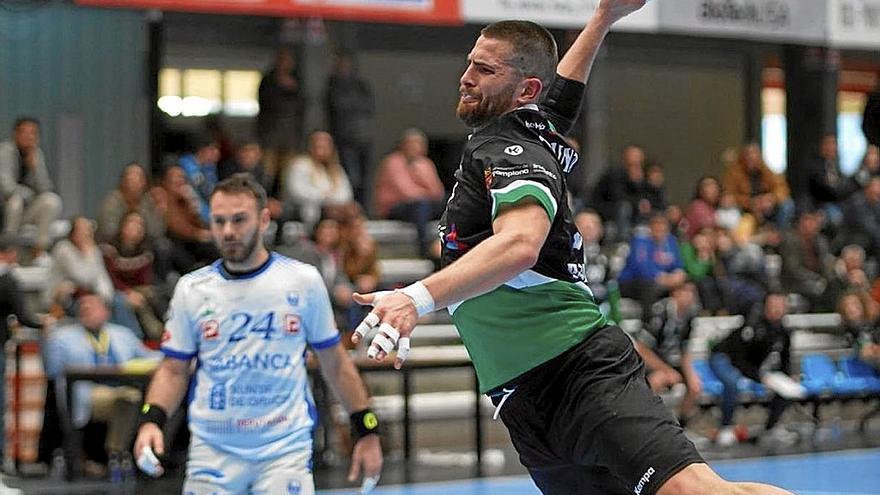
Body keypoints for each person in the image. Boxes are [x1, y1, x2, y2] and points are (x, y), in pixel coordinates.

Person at [349, 4, 794, 494]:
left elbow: (520, 244)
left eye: (485, 69)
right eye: (470, 62)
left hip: (577, 371)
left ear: (524, 90)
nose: (466, 76)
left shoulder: (509, 150)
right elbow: (561, 94)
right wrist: (603, 17)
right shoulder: (530, 126)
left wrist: (417, 297)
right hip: (522, 397)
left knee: (698, 492)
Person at [133, 174, 382, 494]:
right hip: (213, 450)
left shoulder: (302, 281)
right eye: (219, 221)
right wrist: (151, 419)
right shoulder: (192, 290)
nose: (228, 232)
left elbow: (334, 362)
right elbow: (173, 369)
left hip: (283, 450)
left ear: (264, 219)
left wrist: (366, 427)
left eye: (239, 220)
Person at [44, 293, 161, 473]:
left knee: (132, 398)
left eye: (92, 306)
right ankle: (113, 456)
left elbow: (149, 356)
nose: (86, 310)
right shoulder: (62, 337)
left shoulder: (122, 334)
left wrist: (176, 359)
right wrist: (46, 338)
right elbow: (51, 370)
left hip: (120, 389)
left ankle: (116, 453)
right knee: (125, 398)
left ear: (106, 311)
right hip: (85, 393)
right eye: (83, 307)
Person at [708, 293, 798, 448]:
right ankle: (725, 427)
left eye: (781, 305)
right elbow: (737, 358)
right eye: (773, 304)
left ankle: (770, 429)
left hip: (752, 368)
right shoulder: (752, 325)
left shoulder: (783, 332)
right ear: (765, 306)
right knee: (732, 383)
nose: (777, 309)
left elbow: (785, 360)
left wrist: (789, 377)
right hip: (723, 358)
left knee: (786, 388)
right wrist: (759, 377)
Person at [634, 282, 702, 425]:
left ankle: (681, 425)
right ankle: (645, 424)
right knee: (657, 380)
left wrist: (691, 375)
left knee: (695, 386)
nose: (690, 297)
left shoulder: (689, 316)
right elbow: (642, 348)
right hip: (652, 362)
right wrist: (667, 370)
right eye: (686, 292)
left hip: (673, 361)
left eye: (692, 293)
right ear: (675, 293)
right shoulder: (659, 312)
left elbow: (684, 350)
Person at [373, 128, 446, 258]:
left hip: (421, 207)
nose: (415, 147)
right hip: (395, 208)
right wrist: (426, 193)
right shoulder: (393, 162)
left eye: (419, 144)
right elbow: (407, 193)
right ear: (403, 145)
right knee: (421, 206)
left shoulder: (425, 163)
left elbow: (438, 192)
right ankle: (424, 249)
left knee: (451, 200)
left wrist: (422, 175)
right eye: (412, 143)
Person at [0, 117, 62, 259]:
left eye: (33, 133)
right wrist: (29, 195)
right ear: (16, 134)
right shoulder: (4, 151)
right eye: (25, 132)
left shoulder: (36, 154)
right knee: (15, 201)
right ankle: (8, 250)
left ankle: (39, 251)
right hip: (4, 210)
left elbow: (45, 189)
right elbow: (6, 187)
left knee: (51, 201)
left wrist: (34, 169)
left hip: (25, 210)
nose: (29, 137)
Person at [325, 51, 376, 204]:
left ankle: (362, 208)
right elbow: (338, 106)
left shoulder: (361, 84)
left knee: (365, 178)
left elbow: (370, 106)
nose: (344, 67)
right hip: (344, 138)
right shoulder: (333, 84)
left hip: (364, 136)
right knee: (351, 177)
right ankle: (351, 206)